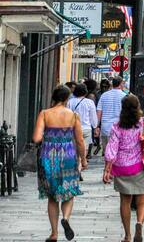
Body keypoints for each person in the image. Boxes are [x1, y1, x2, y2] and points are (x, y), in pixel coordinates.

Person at [103, 94, 144, 242]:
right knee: (143, 201)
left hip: (122, 168)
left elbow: (111, 150)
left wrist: (107, 170)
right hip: (142, 166)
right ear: (138, 107)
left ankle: (127, 236)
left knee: (125, 202)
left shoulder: (117, 127)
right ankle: (139, 223)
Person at [34, 85, 86, 242]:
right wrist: (83, 159)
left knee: (52, 196)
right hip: (68, 156)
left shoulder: (44, 113)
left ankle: (54, 233)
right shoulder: (73, 116)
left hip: (48, 156)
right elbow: (80, 140)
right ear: (66, 99)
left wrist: (49, 138)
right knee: (69, 192)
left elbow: (36, 138)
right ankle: (66, 218)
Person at [68, 84, 98, 167]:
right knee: (84, 149)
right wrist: (95, 127)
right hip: (86, 129)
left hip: (73, 128)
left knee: (75, 149)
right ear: (85, 92)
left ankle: (78, 165)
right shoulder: (90, 102)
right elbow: (93, 117)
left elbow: (68, 115)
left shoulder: (70, 102)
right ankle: (80, 166)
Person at [97, 76, 126, 160]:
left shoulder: (104, 96)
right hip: (119, 127)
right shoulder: (124, 96)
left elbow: (99, 111)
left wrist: (96, 126)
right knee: (118, 151)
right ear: (121, 84)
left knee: (107, 152)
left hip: (105, 127)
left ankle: (107, 169)